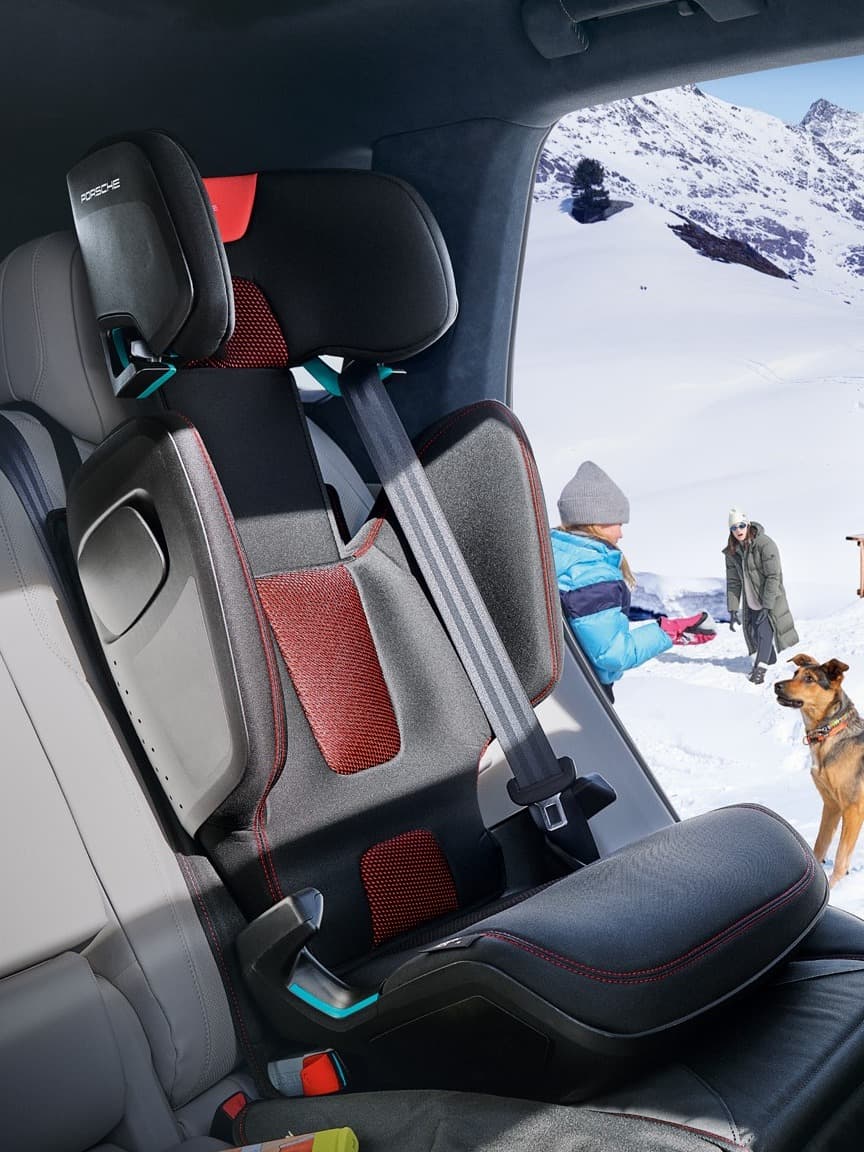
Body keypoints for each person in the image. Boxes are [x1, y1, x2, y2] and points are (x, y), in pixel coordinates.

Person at [552, 461, 714, 703]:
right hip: (587, 694)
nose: (621, 533)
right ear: (598, 520)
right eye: (618, 523)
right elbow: (612, 654)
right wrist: (668, 631)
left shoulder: (554, 551)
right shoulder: (592, 571)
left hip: (562, 686)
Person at [723, 508, 798, 685]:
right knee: (754, 633)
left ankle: (760, 670)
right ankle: (769, 659)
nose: (738, 530)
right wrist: (733, 609)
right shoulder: (732, 551)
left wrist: (767, 604)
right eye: (734, 527)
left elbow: (773, 576)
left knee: (764, 632)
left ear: (748, 524)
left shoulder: (765, 544)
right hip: (751, 601)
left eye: (741, 525)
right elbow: (733, 582)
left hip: (769, 598)